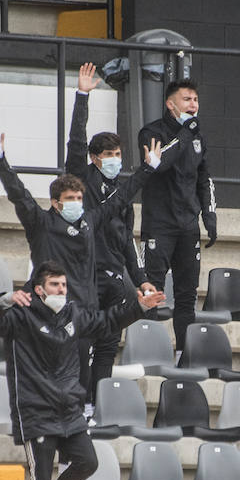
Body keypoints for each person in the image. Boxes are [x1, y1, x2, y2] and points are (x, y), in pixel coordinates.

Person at [0, 262, 165, 480]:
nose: (61, 290)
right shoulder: (20, 316)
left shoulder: (73, 315)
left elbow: (108, 320)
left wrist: (139, 307)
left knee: (88, 461)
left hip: (68, 410)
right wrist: (4, 300)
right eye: (54, 285)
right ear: (38, 289)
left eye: (63, 285)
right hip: (35, 412)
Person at [0, 119, 161, 409]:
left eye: (79, 198)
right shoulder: (40, 222)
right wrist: (0, 159)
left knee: (83, 371)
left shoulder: (90, 220)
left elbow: (122, 198)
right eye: (70, 199)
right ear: (56, 203)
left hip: (81, 313)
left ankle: (84, 413)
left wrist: (148, 168)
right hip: (46, 311)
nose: (77, 202)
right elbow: (17, 193)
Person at [67, 62, 159, 401]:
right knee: (84, 341)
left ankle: (98, 403)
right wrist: (82, 97)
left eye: (119, 155)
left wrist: (141, 278)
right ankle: (80, 401)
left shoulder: (122, 193)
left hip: (113, 275)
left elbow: (126, 242)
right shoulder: (80, 180)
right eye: (108, 155)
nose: (115, 160)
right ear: (94, 158)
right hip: (86, 273)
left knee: (109, 341)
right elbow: (75, 143)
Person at [137, 79, 217, 355]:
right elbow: (160, 164)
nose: (193, 105)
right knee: (152, 291)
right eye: (187, 99)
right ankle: (145, 352)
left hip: (188, 226)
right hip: (159, 225)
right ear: (171, 104)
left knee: (187, 295)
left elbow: (203, 178)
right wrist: (184, 134)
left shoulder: (198, 137)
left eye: (195, 99)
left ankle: (184, 354)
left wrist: (209, 213)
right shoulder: (151, 133)